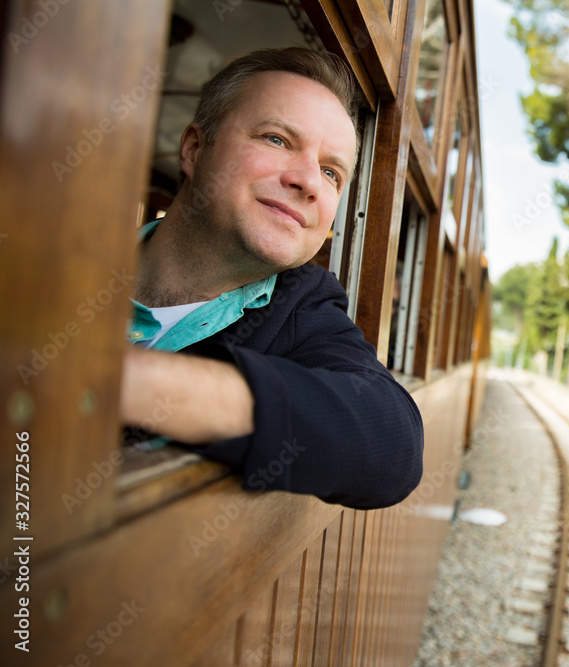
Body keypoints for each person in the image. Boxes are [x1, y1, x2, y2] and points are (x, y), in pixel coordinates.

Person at [118, 47, 423, 510]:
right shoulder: (60, 256)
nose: (310, 183)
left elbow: (392, 445)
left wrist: (120, 381)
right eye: (277, 139)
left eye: (331, 172)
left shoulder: (305, 311)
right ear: (195, 149)